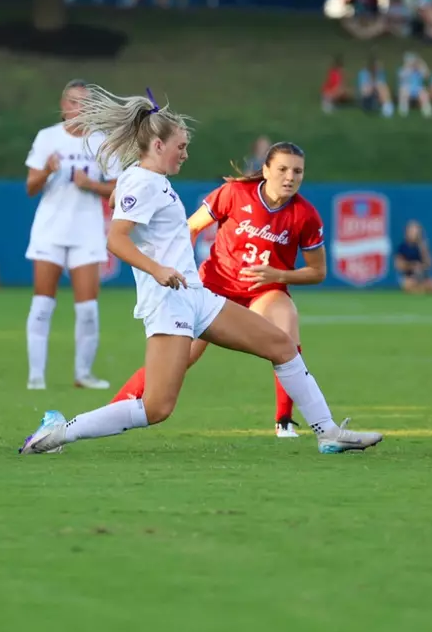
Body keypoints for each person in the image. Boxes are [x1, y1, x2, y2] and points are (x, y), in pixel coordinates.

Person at [18, 88, 383, 456]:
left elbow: (130, 205)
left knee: (281, 346)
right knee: (157, 408)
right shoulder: (143, 181)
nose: (186, 153)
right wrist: (157, 269)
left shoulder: (150, 180)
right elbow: (116, 240)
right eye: (181, 145)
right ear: (158, 145)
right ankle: (60, 431)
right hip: (169, 302)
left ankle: (329, 432)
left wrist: (123, 198)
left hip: (196, 295)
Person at [109, 140, 329, 438]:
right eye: (282, 169)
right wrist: (172, 266)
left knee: (285, 332)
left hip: (264, 289)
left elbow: (318, 272)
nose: (290, 177)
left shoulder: (305, 215)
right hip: (215, 286)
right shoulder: (235, 193)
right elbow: (190, 227)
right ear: (265, 170)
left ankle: (284, 420)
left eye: (298, 171)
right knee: (180, 358)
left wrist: (278, 274)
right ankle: (115, 408)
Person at [23, 80, 117, 390]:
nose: (80, 110)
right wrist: (48, 170)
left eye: (86, 104)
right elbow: (31, 187)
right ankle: (36, 376)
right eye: (75, 103)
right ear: (64, 106)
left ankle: (83, 374)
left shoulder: (102, 142)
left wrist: (92, 185)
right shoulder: (47, 137)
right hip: (50, 230)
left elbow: (117, 189)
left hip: (87, 231)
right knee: (42, 305)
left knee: (88, 309)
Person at [394, 220, 432, 293]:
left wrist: (423, 251)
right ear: (407, 233)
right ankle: (420, 289)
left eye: (416, 231)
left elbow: (429, 264)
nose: (414, 233)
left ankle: (421, 288)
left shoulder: (422, 246)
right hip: (409, 277)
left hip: (422, 276)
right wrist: (412, 265)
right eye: (412, 231)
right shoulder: (402, 247)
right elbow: (398, 265)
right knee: (407, 284)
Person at [397, 52, 432, 118]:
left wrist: (423, 65)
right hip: (407, 88)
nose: (413, 64)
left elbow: (427, 75)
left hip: (418, 88)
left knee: (423, 93)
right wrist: (407, 68)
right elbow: (401, 77)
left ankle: (426, 109)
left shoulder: (419, 70)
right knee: (403, 91)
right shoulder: (403, 70)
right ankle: (403, 109)